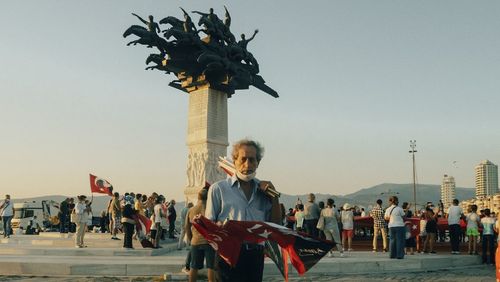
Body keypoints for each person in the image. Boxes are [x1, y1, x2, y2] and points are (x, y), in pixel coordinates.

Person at [206, 138, 281, 282]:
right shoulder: (218, 189)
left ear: (258, 162)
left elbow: (275, 226)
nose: (248, 164)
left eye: (252, 160)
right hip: (228, 255)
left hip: (255, 256)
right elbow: (209, 226)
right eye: (243, 159)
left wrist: (274, 197)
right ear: (234, 161)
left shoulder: (265, 191)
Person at [185, 189, 215, 282]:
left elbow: (187, 227)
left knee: (194, 267)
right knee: (211, 267)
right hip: (209, 242)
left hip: (196, 241)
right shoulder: (211, 209)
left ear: (198, 197)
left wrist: (191, 239)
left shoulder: (191, 210)